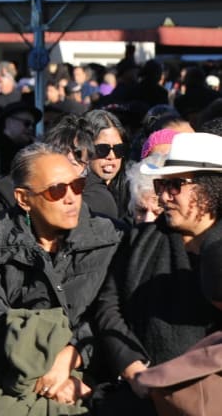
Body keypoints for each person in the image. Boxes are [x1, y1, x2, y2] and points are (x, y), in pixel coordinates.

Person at [0, 143, 122, 412]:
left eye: (77, 185)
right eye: (57, 190)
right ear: (23, 199)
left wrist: (70, 358)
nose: (71, 197)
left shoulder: (109, 239)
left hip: (94, 366)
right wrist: (42, 368)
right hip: (17, 374)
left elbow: (112, 315)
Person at [92, 133, 222, 415]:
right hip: (139, 393)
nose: (163, 196)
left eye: (175, 185)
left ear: (212, 189)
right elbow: (108, 307)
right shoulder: (140, 239)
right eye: (161, 184)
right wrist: (131, 367)